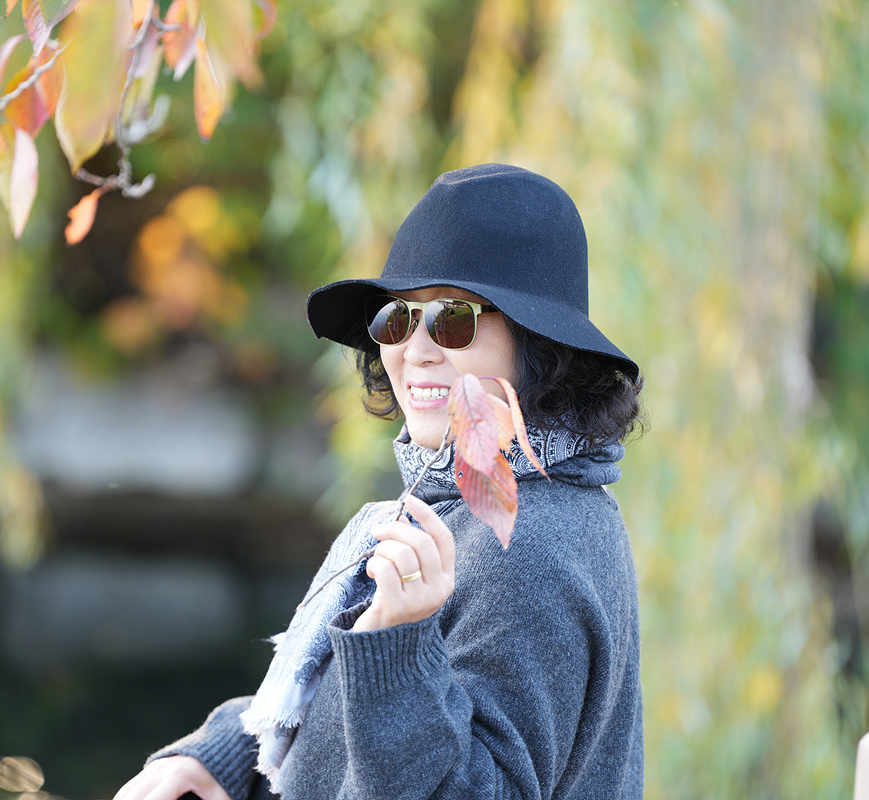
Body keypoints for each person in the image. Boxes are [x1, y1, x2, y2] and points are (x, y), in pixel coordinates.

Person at [112, 163, 645, 800]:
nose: (415, 350)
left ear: (540, 345)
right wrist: (225, 755)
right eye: (397, 317)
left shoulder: (530, 541)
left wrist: (397, 645)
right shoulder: (463, 505)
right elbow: (347, 715)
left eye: (453, 319)